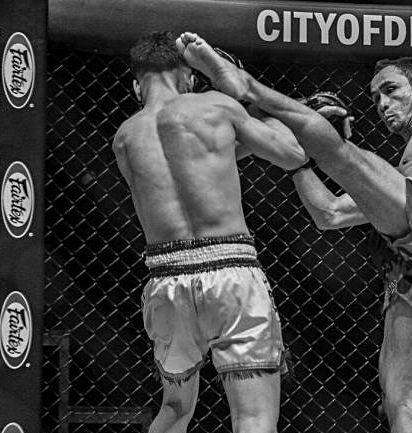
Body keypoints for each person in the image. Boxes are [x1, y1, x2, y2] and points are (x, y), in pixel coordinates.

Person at [176, 32, 412, 433]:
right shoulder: (400, 183)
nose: (382, 104)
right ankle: (291, 122)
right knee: (397, 395)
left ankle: (247, 86)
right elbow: (328, 213)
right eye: (375, 98)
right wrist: (299, 161)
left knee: (343, 153)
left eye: (391, 90)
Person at [112, 31, 306, 433]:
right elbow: (292, 154)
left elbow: (183, 169)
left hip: (166, 282)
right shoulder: (216, 106)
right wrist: (254, 104)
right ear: (188, 77)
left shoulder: (125, 139)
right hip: (230, 272)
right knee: (253, 417)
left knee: (174, 409)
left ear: (136, 86)